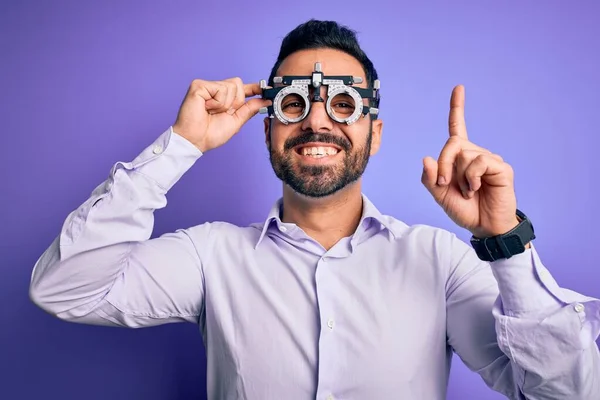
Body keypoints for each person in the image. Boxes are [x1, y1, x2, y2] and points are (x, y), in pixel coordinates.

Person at [29, 19, 599, 400]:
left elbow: (566, 392)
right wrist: (182, 145)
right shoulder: (212, 257)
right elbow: (64, 287)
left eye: (344, 103)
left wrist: (505, 242)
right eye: (296, 102)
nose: (318, 121)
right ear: (268, 126)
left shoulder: (438, 263)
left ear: (374, 134)